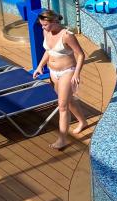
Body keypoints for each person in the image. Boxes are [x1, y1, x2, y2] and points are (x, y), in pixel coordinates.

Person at [32, 9, 87, 150]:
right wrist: (40, 66)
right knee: (67, 101)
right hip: (53, 72)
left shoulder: (67, 36)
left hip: (67, 72)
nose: (43, 28)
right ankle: (82, 122)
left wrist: (77, 74)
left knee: (62, 106)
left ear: (55, 22)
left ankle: (62, 139)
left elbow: (81, 55)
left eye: (45, 25)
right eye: (42, 25)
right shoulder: (46, 32)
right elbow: (49, 51)